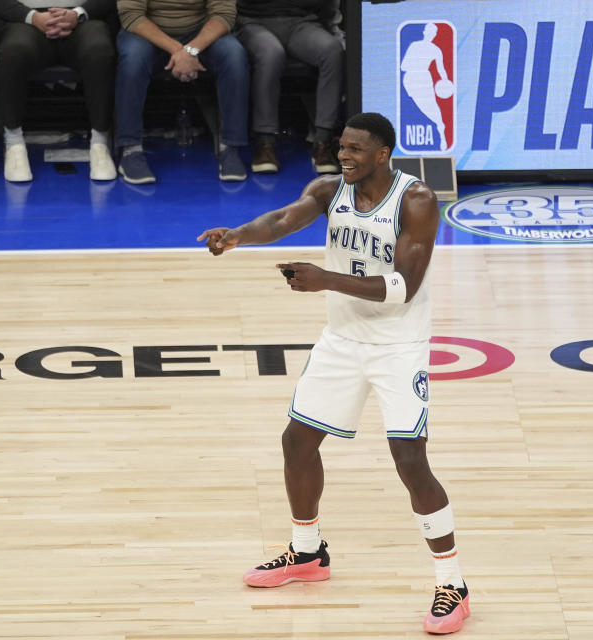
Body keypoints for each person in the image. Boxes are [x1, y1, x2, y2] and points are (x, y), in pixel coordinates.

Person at [197, 112, 470, 635]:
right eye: (341, 146)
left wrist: (326, 279)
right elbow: (282, 219)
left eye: (355, 149)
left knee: (411, 461)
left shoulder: (416, 201)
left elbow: (402, 288)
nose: (343, 155)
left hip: (397, 346)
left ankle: (452, 583)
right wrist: (237, 236)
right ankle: (306, 553)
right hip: (342, 341)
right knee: (297, 442)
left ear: (383, 154)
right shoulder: (329, 188)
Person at [115, 0, 248, 185]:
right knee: (133, 61)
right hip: (147, 32)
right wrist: (179, 51)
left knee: (234, 55)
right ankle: (130, 149)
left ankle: (231, 147)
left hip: (199, 32)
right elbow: (131, 15)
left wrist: (192, 49)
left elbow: (224, 15)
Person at [0, 0, 117, 182]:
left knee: (99, 50)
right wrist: (33, 17)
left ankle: (100, 143)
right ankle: (14, 143)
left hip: (84, 19)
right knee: (14, 51)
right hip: (22, 20)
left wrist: (77, 14)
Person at [235, 0, 342, 175]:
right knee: (271, 54)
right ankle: (265, 141)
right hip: (253, 21)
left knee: (332, 50)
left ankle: (323, 141)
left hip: (301, 21)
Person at [400, 21, 450, 150]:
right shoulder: (414, 45)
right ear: (424, 32)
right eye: (429, 31)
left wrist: (446, 82)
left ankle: (442, 133)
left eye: (433, 33)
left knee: (432, 107)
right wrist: (416, 63)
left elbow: (441, 69)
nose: (431, 34)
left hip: (424, 79)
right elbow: (403, 66)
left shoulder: (436, 50)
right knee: (421, 107)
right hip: (411, 79)